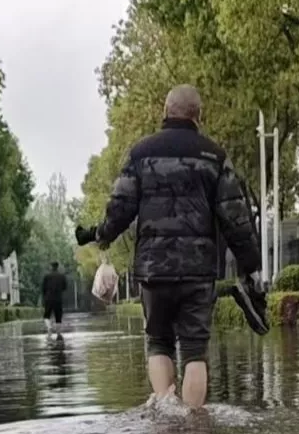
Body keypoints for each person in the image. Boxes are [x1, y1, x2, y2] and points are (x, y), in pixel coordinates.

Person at [76, 84, 267, 410]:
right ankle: (194, 428)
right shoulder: (214, 156)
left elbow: (120, 207)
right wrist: (251, 264)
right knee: (195, 349)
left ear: (164, 112)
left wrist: (101, 234)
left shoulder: (140, 153)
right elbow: (235, 216)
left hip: (154, 270)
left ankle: (167, 420)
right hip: (197, 270)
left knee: (159, 341)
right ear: (198, 116)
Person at [41, 261, 68, 334]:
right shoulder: (62, 276)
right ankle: (58, 332)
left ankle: (49, 327)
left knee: (46, 315)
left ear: (51, 267)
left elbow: (43, 288)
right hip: (58, 299)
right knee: (58, 316)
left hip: (48, 298)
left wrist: (44, 298)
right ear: (57, 267)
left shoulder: (46, 276)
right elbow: (65, 287)